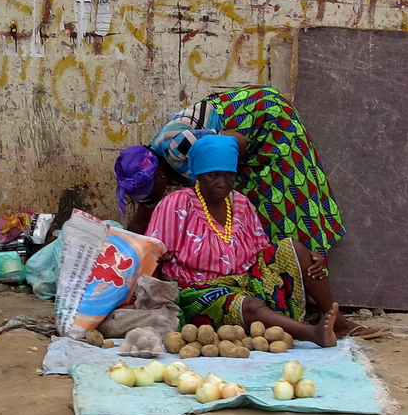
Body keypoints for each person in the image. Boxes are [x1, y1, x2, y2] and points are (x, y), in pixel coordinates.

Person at [144, 134, 377, 346]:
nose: (222, 183)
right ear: (198, 174)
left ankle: (339, 323)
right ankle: (311, 334)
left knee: (294, 249)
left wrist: (305, 258)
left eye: (229, 175)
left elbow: (261, 250)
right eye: (214, 175)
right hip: (196, 290)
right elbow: (152, 254)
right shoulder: (176, 204)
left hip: (244, 279)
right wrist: (157, 304)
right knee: (249, 305)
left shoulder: (241, 203)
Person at [118, 85, 344, 258]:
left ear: (160, 176)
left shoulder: (177, 145)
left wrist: (230, 176)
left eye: (148, 193)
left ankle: (309, 261)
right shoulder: (155, 171)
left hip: (268, 118)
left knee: (284, 195)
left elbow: (239, 142)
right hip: (246, 137)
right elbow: (142, 220)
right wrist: (125, 255)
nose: (149, 199)